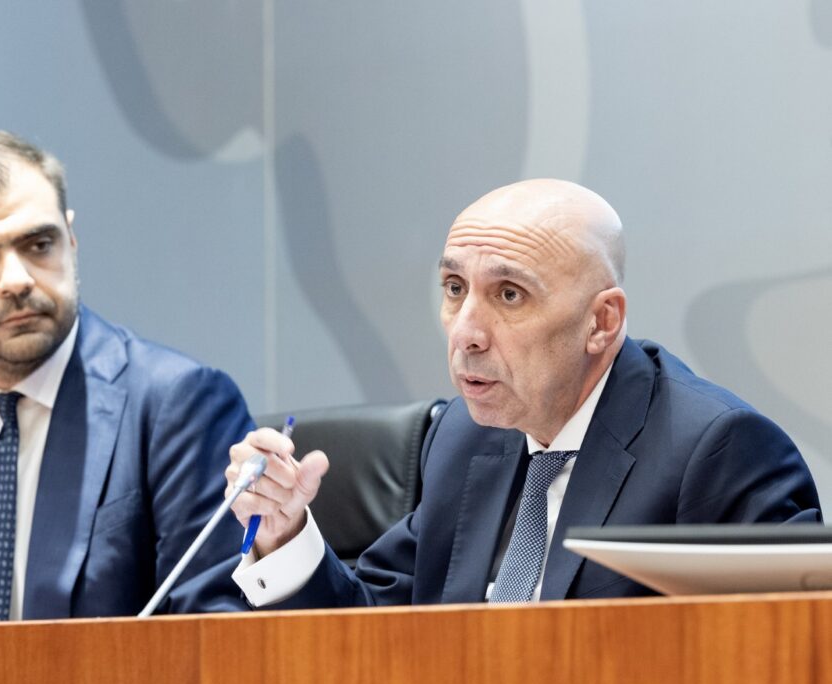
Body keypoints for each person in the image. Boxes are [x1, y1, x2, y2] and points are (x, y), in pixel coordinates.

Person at [225, 178, 822, 608]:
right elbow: (373, 636)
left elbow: (782, 660)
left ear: (602, 322)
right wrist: (284, 532)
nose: (466, 332)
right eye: (454, 288)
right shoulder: (464, 435)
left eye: (509, 295)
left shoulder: (715, 451)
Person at [0, 127, 253, 622]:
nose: (17, 280)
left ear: (71, 239)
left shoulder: (177, 405)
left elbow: (214, 636)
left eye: (39, 245)